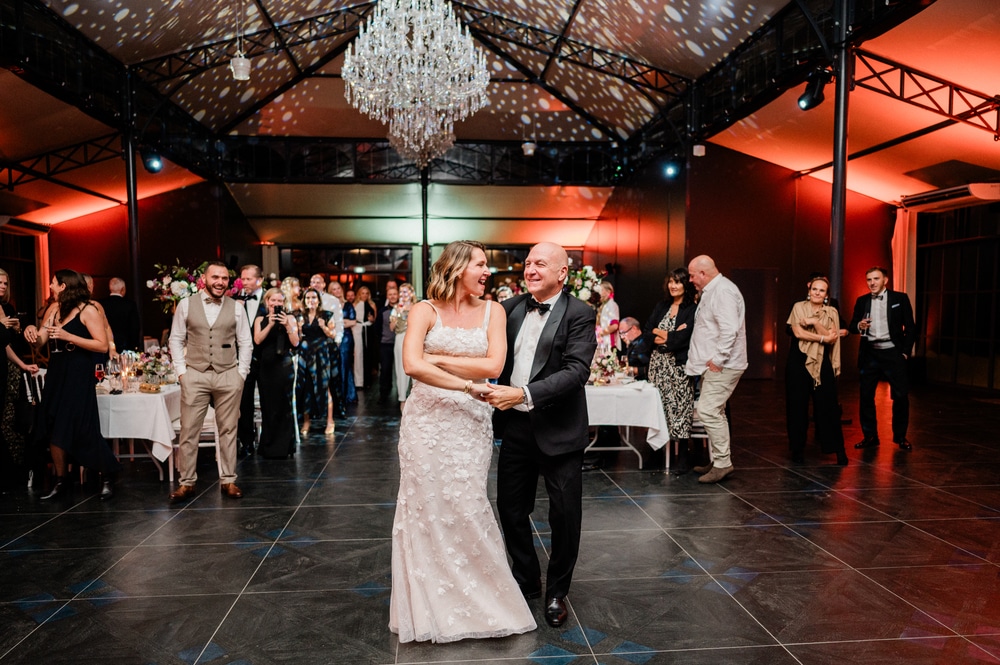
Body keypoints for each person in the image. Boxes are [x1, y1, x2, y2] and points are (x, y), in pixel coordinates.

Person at [388, 240, 535, 643]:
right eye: (481, 264)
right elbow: (411, 364)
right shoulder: (423, 310)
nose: (488, 271)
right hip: (426, 423)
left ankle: (483, 600)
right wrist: (468, 385)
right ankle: (429, 604)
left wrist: (438, 361)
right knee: (425, 506)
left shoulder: (495, 311)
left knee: (467, 504)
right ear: (456, 268)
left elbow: (495, 365)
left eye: (487, 265)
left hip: (470, 424)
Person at [485, 242, 597, 628]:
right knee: (511, 508)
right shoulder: (511, 307)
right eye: (528, 262)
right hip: (515, 426)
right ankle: (528, 578)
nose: (530, 269)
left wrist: (526, 394)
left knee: (564, 516)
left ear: (563, 273)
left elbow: (576, 370)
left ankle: (556, 592)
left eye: (540, 264)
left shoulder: (580, 313)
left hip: (560, 430)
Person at [24, 270, 121, 500]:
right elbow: (40, 342)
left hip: (78, 371)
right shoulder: (54, 309)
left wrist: (69, 337)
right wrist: (30, 332)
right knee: (53, 422)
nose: (50, 286)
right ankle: (61, 481)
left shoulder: (88, 310)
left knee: (82, 425)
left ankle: (107, 474)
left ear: (64, 286)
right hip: (57, 371)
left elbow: (101, 346)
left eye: (54, 283)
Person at [167, 262, 253, 503]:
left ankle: (228, 480)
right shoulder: (186, 305)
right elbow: (176, 339)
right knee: (189, 430)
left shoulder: (236, 308)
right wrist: (182, 373)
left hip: (228, 374)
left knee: (228, 429)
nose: (220, 282)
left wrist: (241, 374)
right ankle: (187, 483)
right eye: (215, 277)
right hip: (195, 373)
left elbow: (245, 342)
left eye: (224, 278)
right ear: (204, 279)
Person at [685, 255, 747, 484]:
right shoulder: (714, 290)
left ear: (703, 273)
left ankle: (723, 464)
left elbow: (729, 330)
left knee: (708, 411)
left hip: (724, 365)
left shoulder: (723, 291)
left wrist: (719, 360)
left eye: (692, 275)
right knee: (716, 411)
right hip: (714, 364)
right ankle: (721, 459)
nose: (690, 279)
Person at [848, 266, 917, 450]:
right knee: (866, 396)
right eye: (869, 279)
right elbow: (853, 325)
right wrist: (860, 325)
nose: (872, 283)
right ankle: (870, 436)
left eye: (876, 279)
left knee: (901, 396)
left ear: (885, 280)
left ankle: (900, 437)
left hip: (893, 352)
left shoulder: (899, 299)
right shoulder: (862, 301)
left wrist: (904, 352)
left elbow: (910, 327)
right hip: (870, 353)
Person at [786, 276, 847, 465]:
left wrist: (813, 321)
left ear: (827, 295)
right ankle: (797, 450)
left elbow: (831, 336)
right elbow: (797, 333)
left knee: (828, 406)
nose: (817, 293)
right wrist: (821, 338)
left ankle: (838, 450)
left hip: (823, 362)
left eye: (821, 291)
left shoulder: (832, 312)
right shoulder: (798, 307)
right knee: (797, 407)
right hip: (798, 361)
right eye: (814, 289)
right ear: (809, 290)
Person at [646, 269, 698, 475]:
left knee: (680, 408)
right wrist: (665, 334)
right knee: (657, 407)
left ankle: (683, 456)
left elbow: (683, 338)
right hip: (657, 364)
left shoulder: (692, 309)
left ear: (686, 284)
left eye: (677, 282)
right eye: (670, 282)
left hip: (678, 366)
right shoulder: (662, 306)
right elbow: (649, 331)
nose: (673, 286)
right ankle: (656, 452)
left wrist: (667, 336)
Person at [0, 268, 39, 495]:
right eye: (0, 282)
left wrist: (20, 330)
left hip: (9, 369)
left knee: (12, 419)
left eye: (6, 283)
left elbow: (8, 345)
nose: (3, 286)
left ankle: (15, 471)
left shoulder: (7, 309)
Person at [253, 288, 299, 459]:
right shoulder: (260, 319)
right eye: (273, 301)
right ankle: (268, 446)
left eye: (280, 301)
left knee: (284, 405)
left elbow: (295, 342)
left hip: (284, 367)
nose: (277, 304)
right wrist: (271, 323)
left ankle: (285, 447)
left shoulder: (291, 318)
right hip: (266, 367)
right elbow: (257, 340)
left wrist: (287, 324)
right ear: (267, 302)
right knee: (268, 406)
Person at [297, 288, 338, 434]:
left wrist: (323, 326)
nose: (311, 300)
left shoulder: (326, 315)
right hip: (305, 354)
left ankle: (330, 421)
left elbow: (333, 335)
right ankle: (307, 422)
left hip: (321, 353)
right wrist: (299, 330)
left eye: (313, 297)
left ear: (318, 300)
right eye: (308, 298)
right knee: (307, 387)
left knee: (324, 386)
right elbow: (298, 338)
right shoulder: (300, 316)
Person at [237, 264, 264, 456]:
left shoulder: (270, 298)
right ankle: (246, 441)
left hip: (266, 358)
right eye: (242, 278)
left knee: (269, 399)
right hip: (243, 359)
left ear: (259, 280)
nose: (244, 282)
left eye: (248, 279)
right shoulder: (234, 299)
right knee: (244, 401)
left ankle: (268, 441)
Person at [329, 281, 358, 404]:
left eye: (338, 288)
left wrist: (339, 322)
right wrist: (341, 322)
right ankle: (335, 396)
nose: (337, 291)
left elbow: (353, 322)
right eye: (334, 289)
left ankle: (347, 395)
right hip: (331, 337)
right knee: (334, 366)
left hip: (346, 338)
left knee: (345, 365)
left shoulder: (348, 305)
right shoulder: (328, 306)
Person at [98, 277, 141, 354]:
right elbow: (135, 327)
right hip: (125, 346)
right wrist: (135, 346)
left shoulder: (100, 303)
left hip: (105, 346)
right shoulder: (130, 304)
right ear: (123, 289)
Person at [390, 283, 415, 406]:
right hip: (400, 338)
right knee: (401, 368)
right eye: (401, 292)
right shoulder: (396, 308)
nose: (402, 295)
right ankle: (402, 399)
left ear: (411, 293)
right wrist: (398, 313)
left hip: (416, 339)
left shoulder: (417, 307)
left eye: (405, 292)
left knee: (416, 367)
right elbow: (391, 327)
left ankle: (417, 397)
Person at [377, 285, 399, 405]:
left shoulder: (404, 309)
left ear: (398, 295)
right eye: (390, 294)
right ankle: (383, 395)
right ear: (387, 297)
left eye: (394, 294)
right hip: (386, 344)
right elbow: (377, 328)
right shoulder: (383, 311)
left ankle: (403, 395)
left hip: (401, 344)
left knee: (402, 370)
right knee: (385, 370)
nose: (392, 296)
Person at [354, 285, 377, 389]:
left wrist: (372, 319)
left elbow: (375, 319)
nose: (364, 295)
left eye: (366, 293)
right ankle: (358, 381)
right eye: (362, 293)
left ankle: (368, 381)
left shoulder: (372, 304)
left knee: (369, 355)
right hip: (358, 330)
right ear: (359, 294)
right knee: (358, 355)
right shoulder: (355, 304)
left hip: (369, 330)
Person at [596, 279, 619, 352]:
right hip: (602, 342)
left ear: (608, 291)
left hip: (609, 343)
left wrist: (599, 333)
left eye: (601, 290)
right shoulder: (603, 306)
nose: (599, 293)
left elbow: (614, 326)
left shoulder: (611, 305)